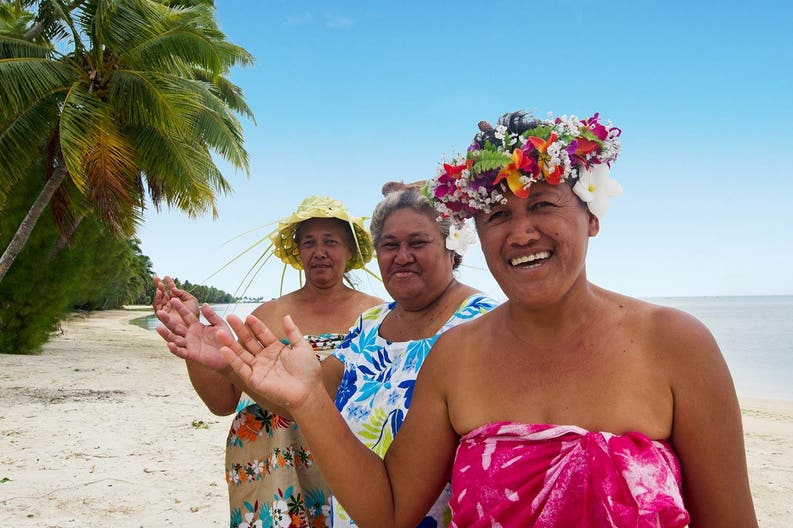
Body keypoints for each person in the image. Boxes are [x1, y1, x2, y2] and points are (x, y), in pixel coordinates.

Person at [219, 111, 758, 527]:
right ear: (475, 232)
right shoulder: (457, 356)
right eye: (498, 213)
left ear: (590, 215)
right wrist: (309, 401)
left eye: (544, 204)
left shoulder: (675, 346)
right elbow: (387, 512)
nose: (521, 233)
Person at [158, 185, 500, 527]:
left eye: (418, 242)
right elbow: (312, 400)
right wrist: (227, 364)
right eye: (390, 245)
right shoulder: (371, 324)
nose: (402, 255)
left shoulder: (483, 324)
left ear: (452, 246)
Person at [153, 196, 383, 528]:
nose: (319, 251)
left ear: (349, 250)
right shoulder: (268, 316)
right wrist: (194, 344)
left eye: (330, 241)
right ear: (298, 252)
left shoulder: (376, 315)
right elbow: (222, 402)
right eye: (309, 243)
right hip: (273, 470)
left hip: (349, 458)